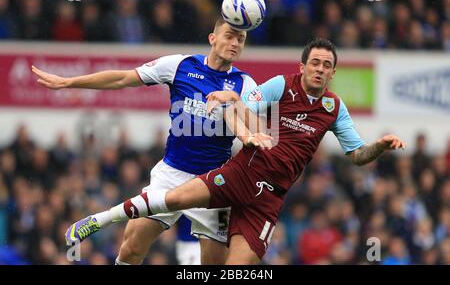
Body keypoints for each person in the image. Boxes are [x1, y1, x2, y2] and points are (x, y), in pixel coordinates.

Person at [63, 38, 406, 264]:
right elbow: (244, 108)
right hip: (239, 173)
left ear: (333, 72)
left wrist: (380, 145)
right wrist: (238, 112)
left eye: (326, 64)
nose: (319, 69)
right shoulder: (278, 86)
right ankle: (100, 219)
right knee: (161, 214)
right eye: (314, 62)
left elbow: (358, 156)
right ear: (302, 67)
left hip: (268, 199)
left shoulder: (334, 107)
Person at [32, 18, 258, 265]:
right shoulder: (180, 65)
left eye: (241, 39)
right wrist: (69, 82)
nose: (235, 43)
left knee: (213, 265)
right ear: (212, 38)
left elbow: (261, 132)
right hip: (171, 175)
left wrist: (236, 100)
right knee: (131, 247)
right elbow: (122, 79)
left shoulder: (245, 84)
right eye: (229, 36)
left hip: (213, 185)